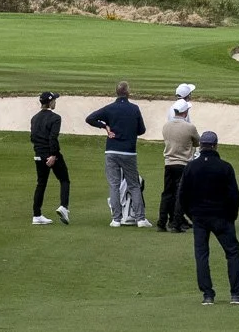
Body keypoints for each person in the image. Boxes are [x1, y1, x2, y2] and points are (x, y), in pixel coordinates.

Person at [180, 131, 239, 304]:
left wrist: (192, 215)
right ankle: (236, 294)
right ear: (215, 145)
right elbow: (234, 195)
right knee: (232, 253)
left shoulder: (191, 167)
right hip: (222, 217)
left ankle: (208, 295)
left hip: (200, 218)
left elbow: (182, 195)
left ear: (201, 146)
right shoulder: (225, 167)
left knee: (201, 255)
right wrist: (232, 216)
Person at [85, 81, 150, 227]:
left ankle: (116, 219)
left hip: (111, 151)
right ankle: (140, 219)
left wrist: (105, 126)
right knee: (133, 185)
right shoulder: (134, 109)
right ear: (128, 92)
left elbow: (90, 118)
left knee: (114, 185)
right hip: (128, 152)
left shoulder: (109, 109)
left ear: (117, 92)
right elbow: (142, 130)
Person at [29, 91, 70, 225]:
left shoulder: (34, 118)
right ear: (50, 102)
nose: (55, 102)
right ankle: (64, 207)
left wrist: (39, 153)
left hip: (38, 154)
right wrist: (53, 155)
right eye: (54, 100)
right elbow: (53, 137)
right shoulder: (55, 118)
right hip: (51, 154)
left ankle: (36, 215)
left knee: (41, 183)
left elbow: (33, 138)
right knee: (64, 180)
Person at [158, 99, 198, 232]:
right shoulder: (189, 127)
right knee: (180, 195)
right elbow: (197, 142)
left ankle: (161, 223)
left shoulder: (166, 126)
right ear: (185, 112)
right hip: (183, 164)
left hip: (169, 163)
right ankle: (176, 223)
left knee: (167, 193)